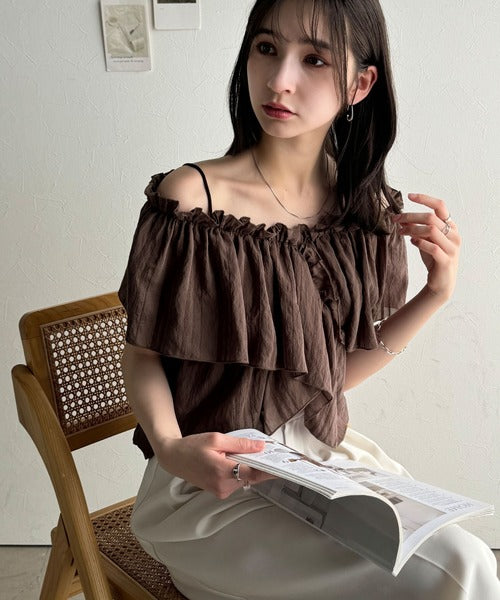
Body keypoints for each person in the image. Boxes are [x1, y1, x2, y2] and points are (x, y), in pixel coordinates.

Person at [118, 0, 500, 598]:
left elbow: (331, 376)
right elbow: (142, 352)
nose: (279, 80)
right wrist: (169, 448)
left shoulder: (361, 211)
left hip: (318, 464)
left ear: (360, 85)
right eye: (266, 48)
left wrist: (436, 293)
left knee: (463, 560)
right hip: (208, 486)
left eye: (314, 59)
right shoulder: (192, 199)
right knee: (456, 573)